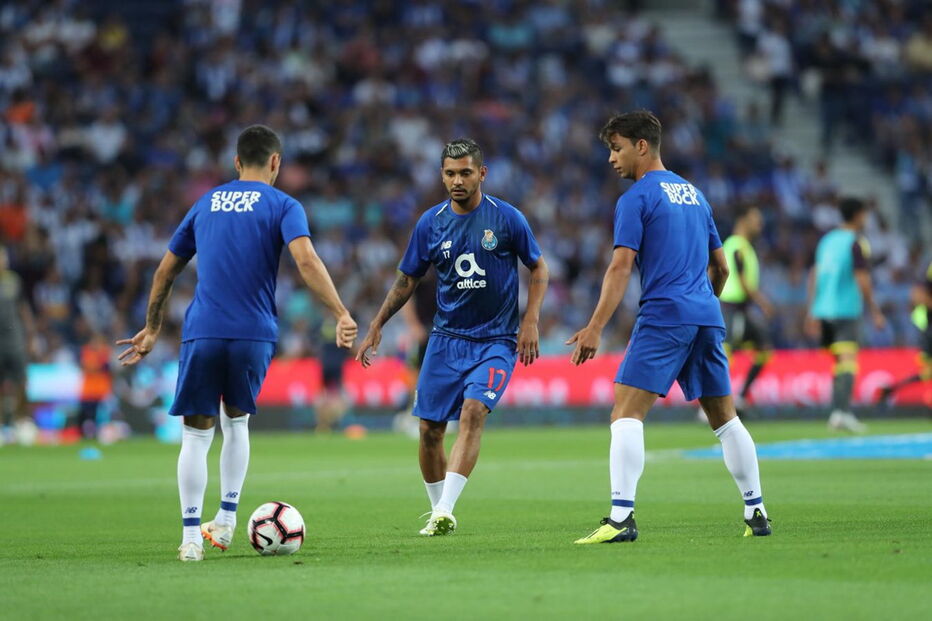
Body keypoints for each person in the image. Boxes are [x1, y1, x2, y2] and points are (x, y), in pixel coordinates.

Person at [116, 125, 357, 562]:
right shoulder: (284, 204)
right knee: (236, 423)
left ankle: (191, 539)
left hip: (204, 329)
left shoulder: (205, 202)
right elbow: (306, 260)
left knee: (195, 434)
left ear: (236, 161)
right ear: (275, 162)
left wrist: (151, 328)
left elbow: (165, 270)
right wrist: (340, 312)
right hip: (253, 332)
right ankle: (226, 520)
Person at [568, 110, 771, 544]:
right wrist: (701, 305)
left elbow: (620, 267)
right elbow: (721, 268)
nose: (611, 158)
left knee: (625, 412)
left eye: (616, 148)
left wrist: (595, 326)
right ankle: (756, 511)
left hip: (665, 315)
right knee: (726, 419)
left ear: (641, 146)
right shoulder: (696, 196)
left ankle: (621, 518)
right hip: (707, 316)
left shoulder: (636, 198)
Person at [356, 139, 549, 536]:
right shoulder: (430, 223)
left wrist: (531, 319)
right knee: (430, 431)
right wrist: (377, 323)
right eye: (450, 174)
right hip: (445, 342)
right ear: (442, 176)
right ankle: (437, 511)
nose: (457, 181)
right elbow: (407, 279)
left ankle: (446, 509)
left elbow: (539, 268)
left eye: (465, 173)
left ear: (482, 173)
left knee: (473, 412)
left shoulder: (507, 218)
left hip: (496, 340)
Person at [805, 197, 885, 433]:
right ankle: (843, 412)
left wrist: (811, 311)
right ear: (859, 215)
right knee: (848, 360)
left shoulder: (826, 240)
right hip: (846, 309)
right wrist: (875, 310)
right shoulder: (857, 242)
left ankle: (837, 412)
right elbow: (862, 277)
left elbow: (814, 275)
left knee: (839, 362)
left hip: (823, 309)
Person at [719, 204, 774, 414]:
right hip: (731, 309)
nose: (760, 223)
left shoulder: (742, 246)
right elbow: (742, 280)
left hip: (741, 310)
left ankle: (740, 398)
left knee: (763, 349)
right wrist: (763, 303)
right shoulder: (737, 245)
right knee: (724, 354)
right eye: (755, 218)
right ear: (742, 220)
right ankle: (713, 404)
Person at [878, 260, 931, 406]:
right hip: (929, 330)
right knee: (928, 372)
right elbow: (917, 295)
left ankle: (892, 389)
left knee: (928, 373)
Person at [0, 246, 37, 445]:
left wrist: (31, 338)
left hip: (14, 340)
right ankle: (1, 425)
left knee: (21, 381)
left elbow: (24, 308)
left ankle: (21, 420)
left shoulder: (13, 281)